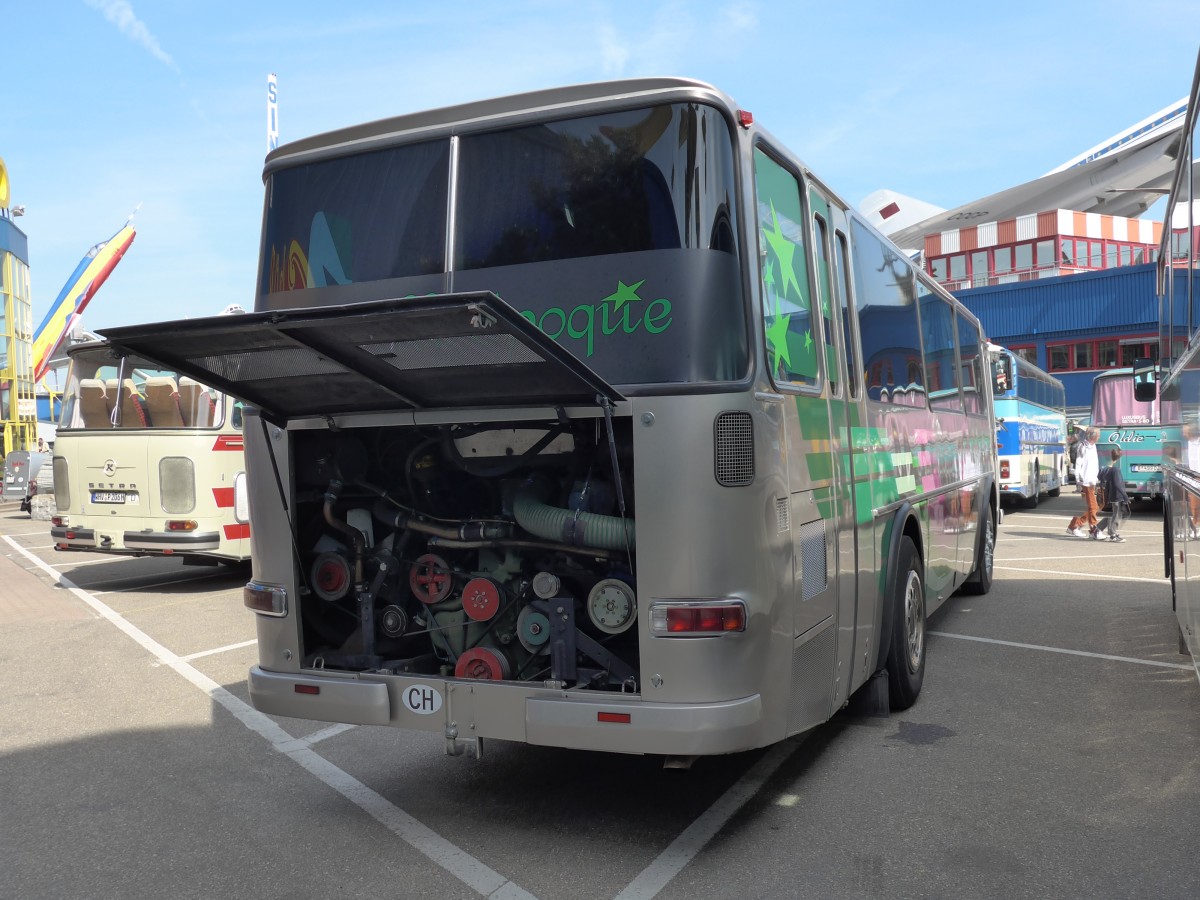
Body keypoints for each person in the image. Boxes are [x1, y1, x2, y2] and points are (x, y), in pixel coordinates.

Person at [1067, 427, 1102, 538]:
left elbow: (1094, 464)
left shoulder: (1093, 446)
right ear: (1093, 436)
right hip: (1086, 481)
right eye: (1098, 435)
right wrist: (1079, 480)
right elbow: (1078, 464)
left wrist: (1096, 478)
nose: (1099, 437)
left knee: (1094, 507)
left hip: (1092, 480)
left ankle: (1074, 525)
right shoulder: (1083, 446)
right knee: (1093, 506)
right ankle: (1093, 529)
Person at [1095, 447, 1130, 542]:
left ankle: (1098, 528)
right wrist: (1125, 496)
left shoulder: (1107, 469)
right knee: (1117, 515)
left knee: (1114, 514)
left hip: (1111, 495)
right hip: (1117, 495)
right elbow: (1118, 484)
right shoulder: (1116, 470)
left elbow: (1106, 483)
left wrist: (1107, 496)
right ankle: (1113, 534)